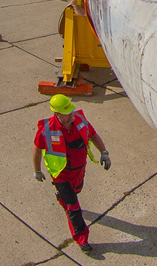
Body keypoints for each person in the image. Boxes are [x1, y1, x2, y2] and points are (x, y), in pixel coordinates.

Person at [32, 94, 110, 252]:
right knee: (73, 207)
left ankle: (62, 197)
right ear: (57, 114)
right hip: (61, 175)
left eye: (71, 112)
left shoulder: (80, 120)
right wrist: (37, 171)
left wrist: (104, 152)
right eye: (66, 114)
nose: (71, 116)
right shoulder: (46, 130)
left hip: (78, 171)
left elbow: (93, 135)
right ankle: (82, 239)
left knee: (77, 191)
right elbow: (37, 150)